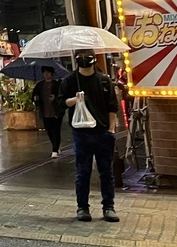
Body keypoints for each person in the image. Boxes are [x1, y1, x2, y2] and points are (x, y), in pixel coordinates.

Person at [60, 50, 120, 223]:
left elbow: (112, 107)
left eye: (87, 56)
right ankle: (82, 208)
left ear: (93, 59)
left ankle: (108, 207)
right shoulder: (70, 81)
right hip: (81, 133)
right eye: (81, 57)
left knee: (106, 173)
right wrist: (75, 100)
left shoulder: (104, 80)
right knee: (83, 172)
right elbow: (60, 102)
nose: (84, 60)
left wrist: (111, 130)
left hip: (103, 133)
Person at [32, 66, 63, 157]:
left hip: (56, 112)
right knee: (49, 130)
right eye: (44, 72)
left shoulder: (57, 85)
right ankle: (56, 145)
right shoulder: (39, 85)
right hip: (45, 112)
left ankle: (54, 150)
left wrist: (55, 98)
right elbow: (34, 96)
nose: (46, 74)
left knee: (56, 130)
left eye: (48, 72)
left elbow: (62, 96)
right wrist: (36, 99)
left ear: (52, 74)